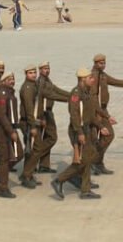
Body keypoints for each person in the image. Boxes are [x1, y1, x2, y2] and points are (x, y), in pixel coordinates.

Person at [51, 68, 107, 200]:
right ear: (83, 79)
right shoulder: (76, 94)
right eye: (90, 78)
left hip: (86, 129)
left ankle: (84, 186)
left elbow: (89, 115)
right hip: (78, 131)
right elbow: (74, 116)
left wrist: (100, 126)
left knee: (88, 158)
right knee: (82, 161)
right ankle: (60, 180)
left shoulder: (86, 92)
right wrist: (80, 133)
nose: (93, 80)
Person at [89, 54, 123, 175]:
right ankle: (92, 162)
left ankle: (97, 162)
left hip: (103, 110)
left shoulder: (103, 75)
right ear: (95, 63)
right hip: (97, 111)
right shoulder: (93, 76)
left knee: (107, 136)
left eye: (104, 62)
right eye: (100, 63)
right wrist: (103, 115)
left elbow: (115, 81)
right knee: (99, 137)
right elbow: (93, 99)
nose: (103, 65)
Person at [0, 72, 23, 198]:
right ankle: (3, 188)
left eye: (13, 79)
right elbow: (2, 115)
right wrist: (11, 131)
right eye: (9, 79)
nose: (12, 81)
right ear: (4, 81)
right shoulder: (2, 94)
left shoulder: (10, 92)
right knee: (5, 158)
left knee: (19, 153)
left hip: (10, 128)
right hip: (2, 129)